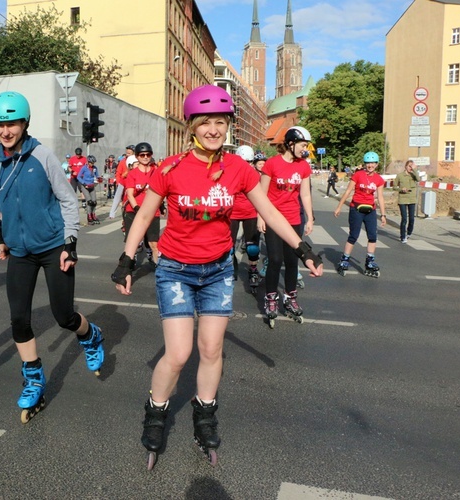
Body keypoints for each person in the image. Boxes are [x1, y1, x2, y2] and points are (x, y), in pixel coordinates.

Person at [110, 85, 323, 468]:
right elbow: (144, 216)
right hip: (175, 269)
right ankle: (156, 412)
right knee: (178, 354)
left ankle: (204, 414)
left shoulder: (239, 169)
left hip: (218, 270)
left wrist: (301, 248)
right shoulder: (171, 168)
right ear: (191, 125)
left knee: (210, 350)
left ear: (227, 125)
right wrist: (126, 260)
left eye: (220, 122)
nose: (213, 129)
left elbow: (271, 213)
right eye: (205, 121)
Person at [0, 91, 104, 423]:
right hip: (19, 252)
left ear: (25, 123)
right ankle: (34, 378)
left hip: (52, 248)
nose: (5, 131)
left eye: (12, 123)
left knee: (63, 316)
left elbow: (66, 200)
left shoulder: (42, 156)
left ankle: (90, 335)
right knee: (19, 318)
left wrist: (70, 242)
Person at [257, 126, 314, 326]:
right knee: (274, 259)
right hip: (273, 218)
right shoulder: (272, 164)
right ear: (290, 144)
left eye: (306, 145)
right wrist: (260, 216)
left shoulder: (304, 166)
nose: (305, 149)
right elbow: (261, 193)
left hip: (293, 220)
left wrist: (310, 217)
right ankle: (271, 298)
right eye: (302, 145)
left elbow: (305, 194)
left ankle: (290, 298)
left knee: (292, 261)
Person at [333, 151, 387, 278]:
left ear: (377, 164)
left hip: (370, 211)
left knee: (373, 236)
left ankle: (370, 261)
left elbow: (380, 197)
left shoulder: (379, 179)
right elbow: (347, 192)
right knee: (354, 236)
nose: (370, 165)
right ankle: (344, 260)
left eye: (373, 163)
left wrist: (383, 215)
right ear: (365, 164)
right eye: (368, 163)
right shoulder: (358, 175)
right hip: (356, 209)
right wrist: (339, 206)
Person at [123, 142, 161, 266]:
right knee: (132, 243)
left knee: (154, 244)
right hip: (133, 211)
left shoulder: (156, 172)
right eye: (142, 155)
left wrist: (162, 205)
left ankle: (158, 267)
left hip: (152, 211)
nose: (145, 157)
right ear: (137, 157)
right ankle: (127, 267)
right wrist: (137, 208)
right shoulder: (132, 174)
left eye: (148, 154)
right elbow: (129, 194)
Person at [230, 145, 261, 290]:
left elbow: (262, 197)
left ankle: (253, 270)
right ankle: (230, 265)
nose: (247, 165)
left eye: (249, 162)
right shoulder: (230, 174)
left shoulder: (256, 175)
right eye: (244, 162)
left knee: (252, 247)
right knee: (228, 246)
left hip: (251, 213)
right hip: (233, 212)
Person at [395, 160, 419, 243]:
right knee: (404, 218)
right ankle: (402, 236)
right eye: (409, 166)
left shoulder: (413, 175)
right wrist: (401, 189)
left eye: (412, 166)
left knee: (412, 219)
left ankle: (409, 232)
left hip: (412, 199)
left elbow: (418, 179)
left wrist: (414, 170)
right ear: (405, 166)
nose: (410, 168)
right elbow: (394, 187)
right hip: (403, 199)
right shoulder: (400, 176)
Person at [108, 145, 135, 218]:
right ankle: (114, 213)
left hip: (134, 184)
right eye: (127, 153)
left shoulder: (137, 161)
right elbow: (118, 173)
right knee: (119, 197)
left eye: (129, 153)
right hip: (123, 182)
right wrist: (118, 182)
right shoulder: (123, 161)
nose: (127, 154)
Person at [78, 155, 101, 225]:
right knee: (89, 201)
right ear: (88, 162)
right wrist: (84, 183)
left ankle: (93, 214)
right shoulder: (84, 168)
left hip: (92, 186)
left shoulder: (95, 168)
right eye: (91, 163)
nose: (92, 164)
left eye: (93, 163)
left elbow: (97, 176)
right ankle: (89, 216)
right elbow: (78, 177)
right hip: (85, 186)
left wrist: (99, 179)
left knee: (94, 201)